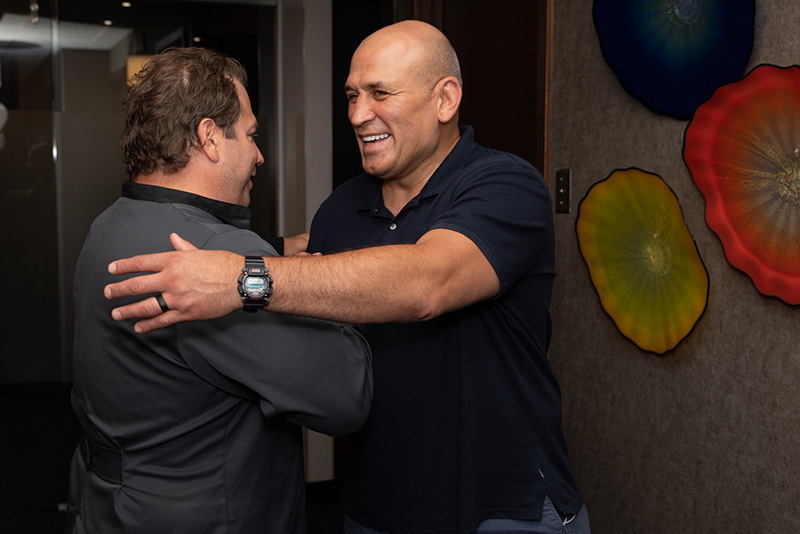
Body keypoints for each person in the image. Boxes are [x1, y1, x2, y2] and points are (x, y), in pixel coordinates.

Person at [103, 21, 591, 534]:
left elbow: (429, 281)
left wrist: (239, 278)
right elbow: (320, 265)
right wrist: (206, 252)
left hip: (503, 504)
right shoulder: (343, 206)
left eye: (380, 93)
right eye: (352, 95)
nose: (358, 115)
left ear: (444, 100)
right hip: (377, 507)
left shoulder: (506, 185)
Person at [66, 47, 372, 534]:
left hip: (110, 507)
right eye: (251, 136)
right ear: (210, 138)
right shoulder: (219, 257)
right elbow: (347, 393)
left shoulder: (108, 225)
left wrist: (274, 249)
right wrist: (316, 288)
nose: (259, 155)